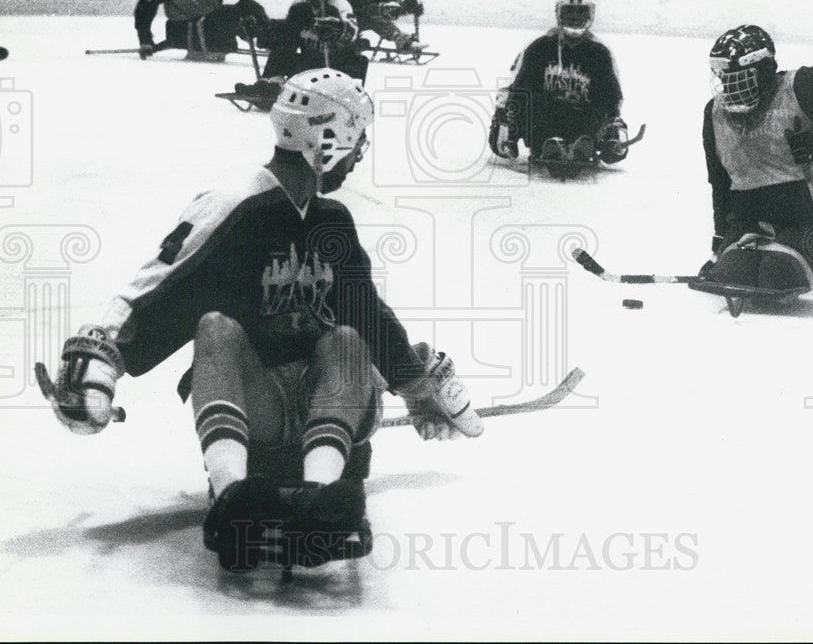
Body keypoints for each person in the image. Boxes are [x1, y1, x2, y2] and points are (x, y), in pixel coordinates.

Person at [36, 70, 484, 574]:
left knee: (347, 338)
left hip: (323, 400)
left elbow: (366, 311)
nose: (359, 156)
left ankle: (320, 496)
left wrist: (415, 384)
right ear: (329, 141)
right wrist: (99, 366)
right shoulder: (233, 205)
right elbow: (157, 285)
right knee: (215, 329)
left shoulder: (331, 218)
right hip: (258, 411)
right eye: (357, 141)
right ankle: (235, 498)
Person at [695, 24, 813, 294]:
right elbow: (720, 184)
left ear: (764, 70)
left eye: (740, 78)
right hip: (750, 227)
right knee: (730, 275)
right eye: (725, 79)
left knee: (776, 273)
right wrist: (719, 243)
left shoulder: (808, 84)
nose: (731, 89)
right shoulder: (715, 114)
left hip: (812, 225)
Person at [488, 0, 629, 165]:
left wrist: (612, 130)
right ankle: (548, 145)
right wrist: (505, 123)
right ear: (559, 14)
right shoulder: (539, 47)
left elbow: (612, 95)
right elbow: (516, 87)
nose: (575, 19)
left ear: (590, 16)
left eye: (581, 13)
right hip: (544, 116)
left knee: (602, 121)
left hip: (583, 117)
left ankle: (583, 146)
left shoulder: (600, 52)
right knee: (526, 107)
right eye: (569, 13)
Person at [256, 0, 368, 83]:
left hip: (335, 67)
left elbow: (352, 31)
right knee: (293, 20)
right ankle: (270, 83)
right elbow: (287, 37)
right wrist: (266, 30)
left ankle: (276, 85)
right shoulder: (300, 6)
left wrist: (339, 28)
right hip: (309, 64)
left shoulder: (339, 5)